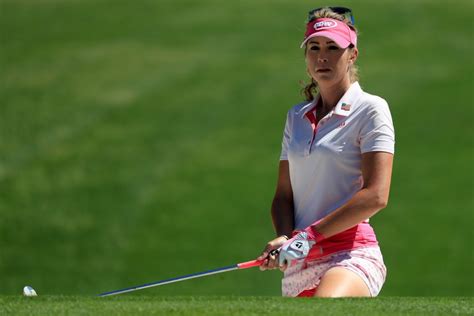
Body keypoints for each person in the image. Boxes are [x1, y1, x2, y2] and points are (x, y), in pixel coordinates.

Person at [257, 7, 395, 298]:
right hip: (299, 258)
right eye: (314, 47)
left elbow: (376, 195)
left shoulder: (371, 109)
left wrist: (309, 236)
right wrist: (284, 236)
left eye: (333, 47)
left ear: (352, 54)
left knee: (326, 306)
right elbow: (284, 195)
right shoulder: (296, 117)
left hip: (351, 254)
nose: (323, 56)